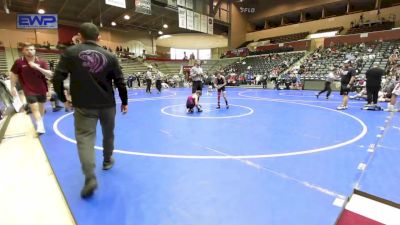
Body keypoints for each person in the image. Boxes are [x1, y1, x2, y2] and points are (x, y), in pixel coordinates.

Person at [52, 22, 128, 198]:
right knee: (108, 134)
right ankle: (107, 160)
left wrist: (64, 99)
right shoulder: (110, 56)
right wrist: (124, 101)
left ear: (79, 35)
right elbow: (120, 82)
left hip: (84, 106)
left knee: (85, 140)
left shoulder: (70, 53)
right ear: (99, 37)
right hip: (107, 105)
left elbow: (57, 78)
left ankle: (90, 178)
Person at [9, 43, 53, 134]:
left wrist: (38, 68)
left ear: (35, 50)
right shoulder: (18, 62)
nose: (30, 51)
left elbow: (50, 74)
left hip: (41, 88)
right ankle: (40, 126)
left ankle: (40, 121)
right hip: (28, 88)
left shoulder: (42, 62)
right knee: (34, 107)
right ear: (23, 51)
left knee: (41, 108)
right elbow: (13, 74)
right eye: (27, 49)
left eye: (32, 49)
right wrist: (12, 87)